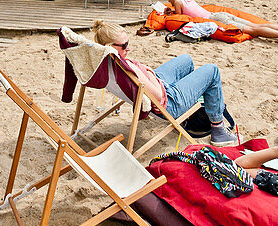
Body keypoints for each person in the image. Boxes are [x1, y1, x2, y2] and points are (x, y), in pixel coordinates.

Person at [92, 19, 235, 146]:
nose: (128, 48)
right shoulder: (128, 69)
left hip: (154, 85)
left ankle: (190, 114)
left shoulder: (108, 60)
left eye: (128, 43)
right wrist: (149, 74)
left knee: (186, 60)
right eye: (124, 45)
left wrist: (146, 72)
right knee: (212, 70)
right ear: (110, 46)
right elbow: (158, 96)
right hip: (169, 102)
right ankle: (219, 131)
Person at [166, 0, 278, 48]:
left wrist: (169, 12)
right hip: (221, 14)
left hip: (220, 20)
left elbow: (180, 18)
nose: (171, 1)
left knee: (254, 30)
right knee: (257, 26)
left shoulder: (177, 2)